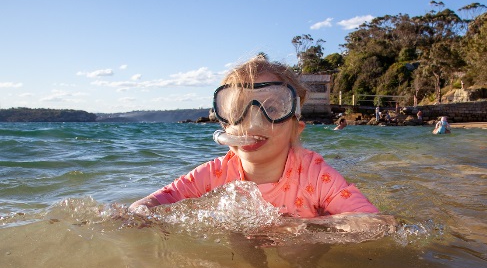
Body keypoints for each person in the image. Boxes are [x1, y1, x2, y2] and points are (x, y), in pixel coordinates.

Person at [130, 56, 379, 218]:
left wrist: (302, 229)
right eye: (238, 111)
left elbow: (372, 223)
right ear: (225, 126)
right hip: (243, 247)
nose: (252, 121)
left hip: (302, 246)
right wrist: (136, 215)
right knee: (238, 240)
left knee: (298, 252)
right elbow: (157, 201)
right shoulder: (215, 174)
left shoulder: (316, 175)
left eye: (271, 109)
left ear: (296, 127)